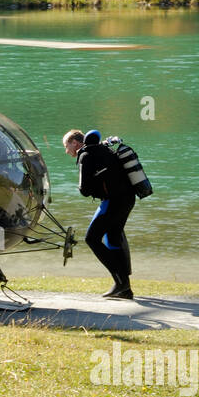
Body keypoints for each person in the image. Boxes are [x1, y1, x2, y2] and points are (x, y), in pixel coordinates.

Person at [64, 128, 134, 299]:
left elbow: (84, 190)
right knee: (114, 236)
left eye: (67, 146)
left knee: (92, 238)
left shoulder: (85, 155)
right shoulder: (103, 149)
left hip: (113, 201)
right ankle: (124, 287)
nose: (67, 151)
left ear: (75, 143)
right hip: (127, 198)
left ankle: (121, 282)